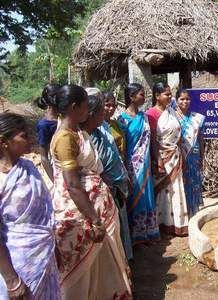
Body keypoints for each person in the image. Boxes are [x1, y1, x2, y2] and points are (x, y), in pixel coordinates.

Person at [50, 85, 131, 299]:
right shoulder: (65, 138)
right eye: (86, 106)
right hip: (80, 212)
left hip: (95, 207)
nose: (88, 111)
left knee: (101, 263)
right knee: (81, 270)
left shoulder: (78, 132)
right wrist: (94, 220)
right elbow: (73, 185)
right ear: (75, 107)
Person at [0, 113, 60, 299]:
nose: (31, 140)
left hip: (45, 253)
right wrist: (11, 280)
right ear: (4, 142)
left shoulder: (29, 167)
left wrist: (53, 246)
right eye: (23, 136)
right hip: (17, 262)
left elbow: (46, 211)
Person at [82, 94, 133, 261]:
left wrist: (123, 177)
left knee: (120, 227)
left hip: (116, 183)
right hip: (104, 188)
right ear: (91, 114)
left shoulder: (101, 129)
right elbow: (97, 167)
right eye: (100, 111)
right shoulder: (85, 138)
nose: (105, 113)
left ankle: (124, 261)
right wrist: (111, 185)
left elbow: (114, 156)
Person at [118, 83, 160, 244]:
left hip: (146, 163)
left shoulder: (144, 117)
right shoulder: (122, 120)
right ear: (131, 97)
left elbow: (152, 141)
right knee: (136, 198)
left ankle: (149, 231)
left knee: (148, 195)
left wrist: (156, 160)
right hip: (132, 166)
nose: (144, 97)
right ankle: (136, 236)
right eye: (141, 95)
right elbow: (123, 146)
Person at [146, 82, 189, 236]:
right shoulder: (151, 114)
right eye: (166, 94)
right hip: (162, 158)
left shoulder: (172, 111)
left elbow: (178, 134)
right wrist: (158, 160)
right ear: (157, 96)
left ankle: (177, 224)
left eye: (170, 94)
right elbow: (152, 140)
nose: (170, 97)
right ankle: (162, 225)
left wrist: (181, 154)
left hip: (175, 156)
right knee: (163, 192)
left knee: (176, 190)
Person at [175, 89, 205, 217]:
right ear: (176, 100)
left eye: (187, 99)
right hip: (180, 156)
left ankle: (194, 212)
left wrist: (202, 157)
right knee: (183, 183)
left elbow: (200, 138)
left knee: (194, 182)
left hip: (194, 154)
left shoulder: (196, 118)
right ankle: (184, 215)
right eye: (182, 99)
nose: (185, 101)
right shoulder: (172, 118)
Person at [36, 83, 60, 181]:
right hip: (58, 170)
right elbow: (44, 157)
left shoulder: (64, 118)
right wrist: (55, 181)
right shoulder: (44, 125)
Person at [104, 91, 126, 161]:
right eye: (107, 105)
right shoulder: (97, 127)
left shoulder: (116, 124)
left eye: (113, 106)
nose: (111, 108)